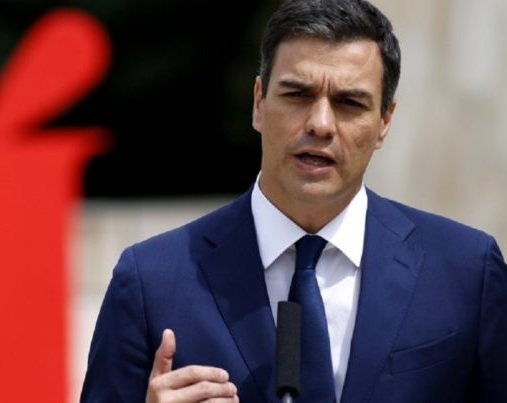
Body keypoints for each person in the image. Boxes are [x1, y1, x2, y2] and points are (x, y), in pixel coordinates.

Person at [80, 0, 507, 402]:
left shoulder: (466, 272)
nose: (320, 124)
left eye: (349, 102)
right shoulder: (151, 281)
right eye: (298, 95)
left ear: (384, 122)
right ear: (259, 103)